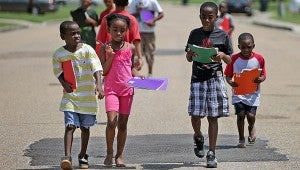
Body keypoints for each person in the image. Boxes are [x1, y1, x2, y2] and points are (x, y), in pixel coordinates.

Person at [184, 2, 233, 168]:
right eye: (203, 17)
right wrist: (190, 55)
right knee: (195, 114)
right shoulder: (194, 34)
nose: (206, 20)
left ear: (216, 17)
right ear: (199, 17)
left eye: (210, 17)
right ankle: (198, 136)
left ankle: (212, 153)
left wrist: (222, 55)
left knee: (213, 116)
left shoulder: (223, 35)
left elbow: (229, 59)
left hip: (215, 77)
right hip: (198, 77)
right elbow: (189, 57)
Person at [52, 21, 104, 169]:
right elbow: (58, 71)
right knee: (70, 126)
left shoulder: (87, 49)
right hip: (71, 96)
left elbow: (96, 68)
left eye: (78, 33)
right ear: (63, 36)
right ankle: (66, 157)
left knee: (85, 128)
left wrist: (99, 85)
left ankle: (82, 155)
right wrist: (63, 83)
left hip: (87, 96)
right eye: (72, 33)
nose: (77, 36)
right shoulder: (59, 54)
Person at [98, 13, 144, 167]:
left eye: (122, 30)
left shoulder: (130, 47)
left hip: (127, 90)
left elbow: (131, 68)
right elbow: (103, 71)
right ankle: (109, 152)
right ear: (108, 29)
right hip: (111, 89)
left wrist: (139, 76)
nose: (119, 33)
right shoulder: (104, 48)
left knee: (123, 124)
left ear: (127, 31)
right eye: (115, 29)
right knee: (112, 121)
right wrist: (110, 55)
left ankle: (119, 156)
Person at [224, 32, 266, 148]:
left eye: (249, 47)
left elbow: (263, 74)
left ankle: (251, 127)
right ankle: (241, 137)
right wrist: (231, 82)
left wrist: (260, 79)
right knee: (241, 115)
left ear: (253, 46)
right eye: (243, 47)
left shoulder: (259, 59)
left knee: (251, 116)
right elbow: (227, 75)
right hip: (239, 93)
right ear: (238, 47)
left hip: (253, 93)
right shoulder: (234, 59)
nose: (246, 50)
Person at [96, 0, 143, 71]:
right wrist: (140, 57)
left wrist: (100, 58)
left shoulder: (107, 18)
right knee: (127, 75)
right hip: (126, 56)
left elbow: (100, 40)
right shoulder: (131, 19)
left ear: (114, 2)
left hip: (110, 56)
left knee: (110, 76)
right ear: (127, 3)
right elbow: (136, 40)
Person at [128, 0, 164, 77]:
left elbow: (161, 13)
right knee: (136, 54)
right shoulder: (133, 2)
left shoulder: (152, 2)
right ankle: (136, 74)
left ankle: (150, 72)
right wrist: (139, 12)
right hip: (137, 32)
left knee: (150, 53)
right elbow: (129, 17)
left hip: (149, 32)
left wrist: (153, 20)